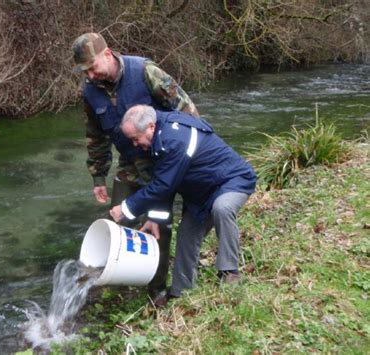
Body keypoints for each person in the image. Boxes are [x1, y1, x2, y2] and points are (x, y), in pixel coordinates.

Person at [71, 32, 199, 303]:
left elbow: (187, 112)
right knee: (120, 219)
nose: (90, 75)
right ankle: (123, 284)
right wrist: (98, 176)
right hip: (129, 164)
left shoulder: (144, 72)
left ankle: (157, 291)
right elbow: (96, 136)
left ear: (107, 54)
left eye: (92, 67)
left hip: (163, 161)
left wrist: (187, 155)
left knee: (158, 224)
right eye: (85, 71)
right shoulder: (90, 92)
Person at [110, 105, 257, 303]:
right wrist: (154, 216)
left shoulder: (174, 139)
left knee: (222, 208)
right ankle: (180, 292)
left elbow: (163, 185)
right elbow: (165, 183)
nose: (136, 144)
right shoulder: (159, 138)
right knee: (186, 235)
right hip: (201, 194)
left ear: (151, 127)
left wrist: (126, 208)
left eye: (136, 138)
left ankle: (229, 273)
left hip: (232, 181)